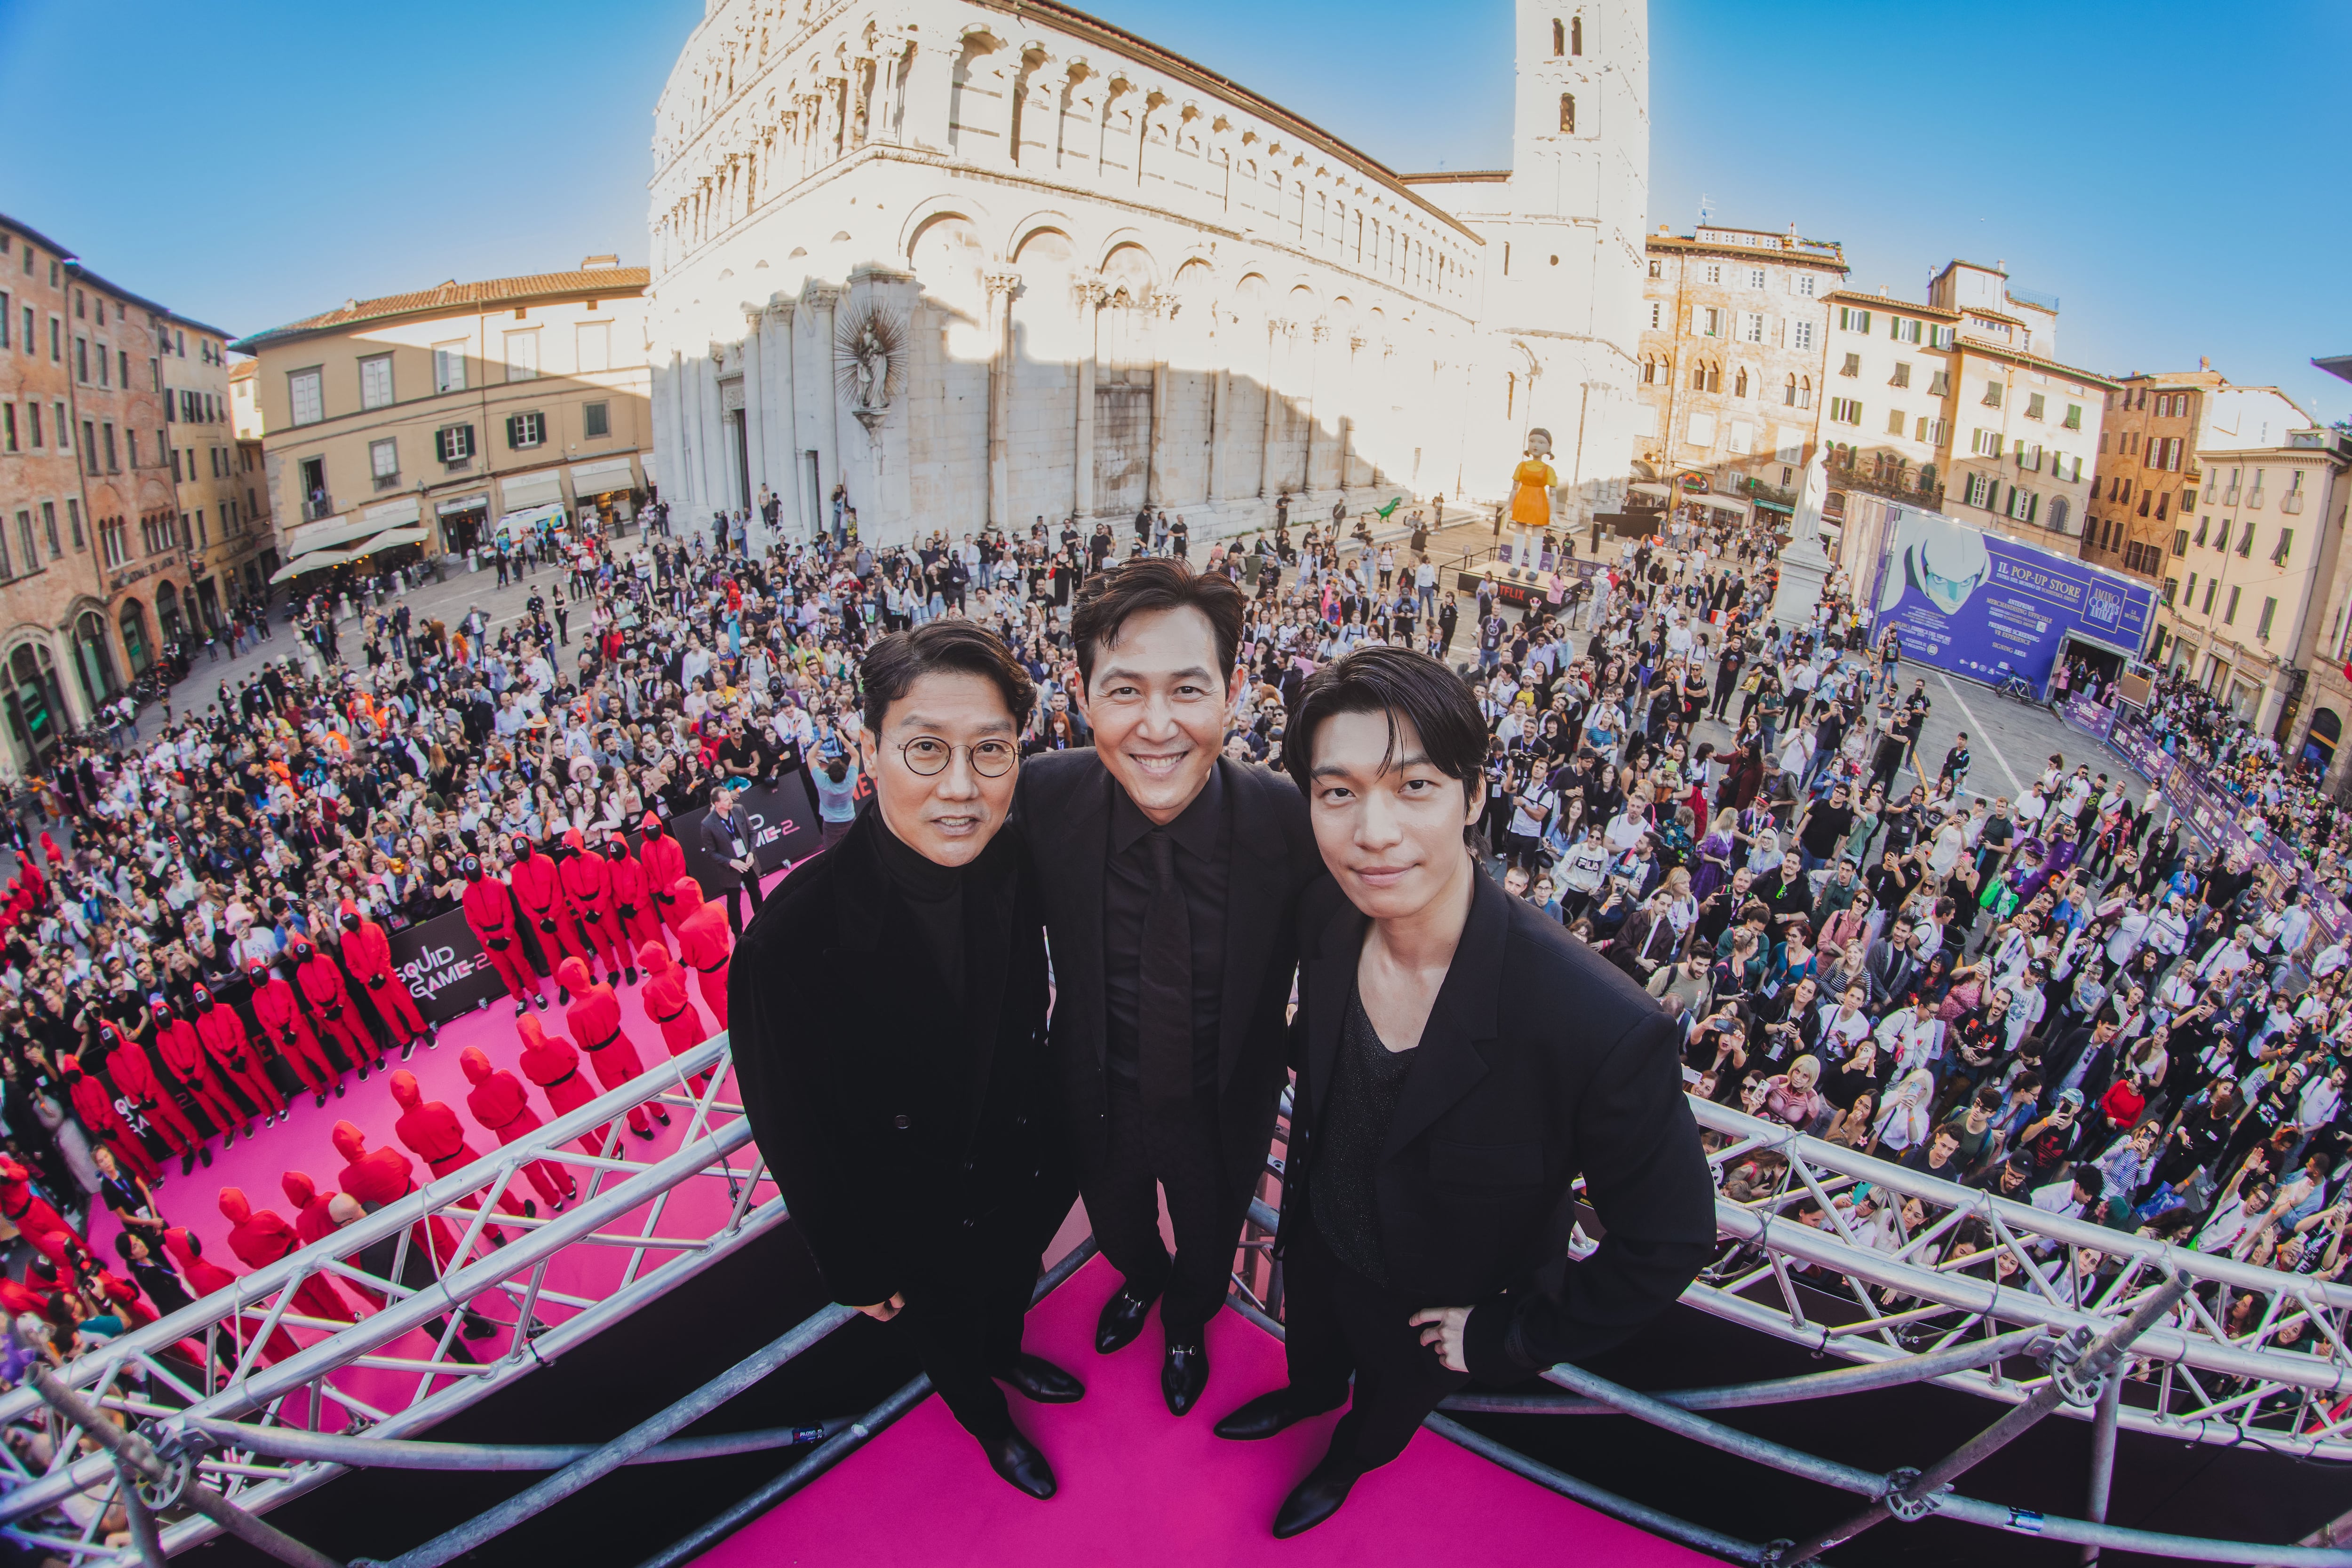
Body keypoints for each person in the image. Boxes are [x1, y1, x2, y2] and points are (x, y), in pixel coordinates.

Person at [1213, 645, 1714, 1536]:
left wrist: (1505, 1335)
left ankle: (1343, 1461)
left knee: (1376, 1420)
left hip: (1434, 1306)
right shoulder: (1327, 915)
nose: (1374, 830)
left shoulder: (1598, 1021)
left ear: (1475, 794)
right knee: (1314, 1358)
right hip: (1318, 1240)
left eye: (1413, 787)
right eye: (1338, 792)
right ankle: (1307, 1397)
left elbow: (1670, 1239)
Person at [731, 621, 1081, 1498]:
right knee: (947, 1337)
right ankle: (988, 1420)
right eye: (925, 749)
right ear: (868, 750)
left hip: (1016, 1168)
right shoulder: (788, 940)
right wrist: (852, 1264)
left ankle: (1008, 1352)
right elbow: (790, 1129)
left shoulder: (1014, 860)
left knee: (1009, 1290)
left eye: (990, 752)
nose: (960, 788)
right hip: (909, 1215)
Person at [1016, 559, 1322, 1420]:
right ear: (1081, 693)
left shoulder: (1290, 822)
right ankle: (1139, 1282)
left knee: (1210, 1239)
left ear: (1233, 690)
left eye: (1188, 689)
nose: (1157, 726)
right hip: (1096, 1088)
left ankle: (1187, 1322)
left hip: (1222, 1102)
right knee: (1118, 1226)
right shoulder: (1043, 796)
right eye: (1124, 691)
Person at [699, 784, 765, 933]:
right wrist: (730, 862)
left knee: (756, 892)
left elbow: (752, 833)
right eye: (727, 800)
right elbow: (711, 853)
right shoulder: (707, 824)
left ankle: (763, 923)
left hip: (748, 862)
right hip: (730, 868)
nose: (731, 801)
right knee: (734, 903)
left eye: (730, 798)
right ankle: (738, 933)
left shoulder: (739, 809)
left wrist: (751, 853)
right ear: (717, 804)